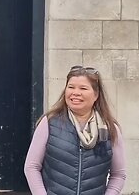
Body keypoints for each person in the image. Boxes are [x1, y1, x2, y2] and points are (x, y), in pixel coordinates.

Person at [24, 65, 126, 195]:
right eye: (71, 87)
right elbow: (32, 167)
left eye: (83, 88)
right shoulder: (49, 123)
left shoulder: (110, 129)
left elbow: (118, 174)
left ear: (96, 94)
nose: (75, 93)